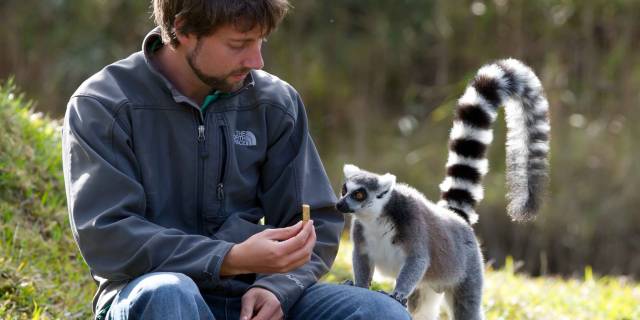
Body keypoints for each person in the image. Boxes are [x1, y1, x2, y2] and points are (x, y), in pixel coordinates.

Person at [61, 0, 412, 319]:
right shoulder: (103, 104)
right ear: (183, 30)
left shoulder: (275, 103)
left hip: (253, 298)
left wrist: (277, 286)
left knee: (382, 313)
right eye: (239, 44)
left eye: (261, 42)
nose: (256, 61)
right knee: (168, 293)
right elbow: (108, 236)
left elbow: (314, 222)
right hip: (147, 296)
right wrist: (227, 258)